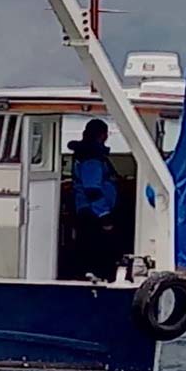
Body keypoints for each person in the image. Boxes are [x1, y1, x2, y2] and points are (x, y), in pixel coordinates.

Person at [68, 118, 119, 281]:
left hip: (89, 210)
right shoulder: (91, 158)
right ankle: (94, 279)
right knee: (95, 249)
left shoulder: (88, 154)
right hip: (92, 213)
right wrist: (105, 216)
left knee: (90, 247)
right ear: (102, 135)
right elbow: (92, 189)